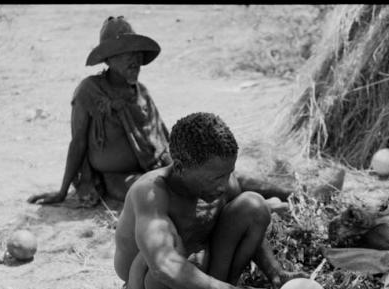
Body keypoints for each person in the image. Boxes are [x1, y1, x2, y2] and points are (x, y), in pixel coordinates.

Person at [28, 16, 292, 209]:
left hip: (157, 163)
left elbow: (165, 137)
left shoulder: (140, 91)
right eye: (123, 55)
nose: (134, 60)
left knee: (222, 176)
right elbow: (78, 142)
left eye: (136, 54)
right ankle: (255, 209)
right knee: (171, 192)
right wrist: (62, 191)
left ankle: (291, 195)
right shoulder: (89, 92)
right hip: (120, 177)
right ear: (108, 60)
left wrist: (191, 163)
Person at [114, 112, 302, 289]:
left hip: (204, 286)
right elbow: (164, 265)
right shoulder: (150, 192)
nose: (225, 184)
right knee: (168, 248)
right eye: (216, 177)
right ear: (180, 168)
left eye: (229, 173)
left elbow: (246, 221)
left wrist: (276, 273)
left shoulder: (220, 180)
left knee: (253, 205)